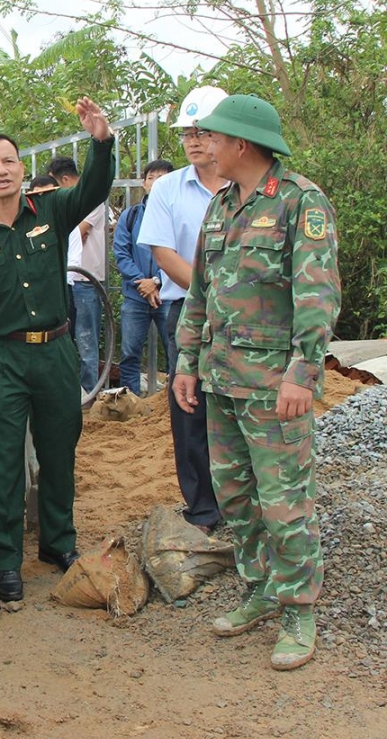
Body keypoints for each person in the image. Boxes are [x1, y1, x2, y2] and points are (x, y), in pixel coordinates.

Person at [172, 95, 340, 672]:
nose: (204, 146)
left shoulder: (300, 201)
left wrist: (303, 372)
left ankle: (298, 609)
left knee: (285, 500)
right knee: (236, 497)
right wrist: (186, 362)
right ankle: (262, 588)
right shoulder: (221, 205)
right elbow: (200, 291)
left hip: (274, 386)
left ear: (240, 144)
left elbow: (317, 294)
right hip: (221, 379)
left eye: (212, 137)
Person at [0, 99, 116, 603]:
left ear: (22, 169)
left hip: (56, 352)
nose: (1, 170)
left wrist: (101, 142)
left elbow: (94, 188)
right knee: (3, 461)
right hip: (3, 359)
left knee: (59, 451)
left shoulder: (53, 209)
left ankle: (58, 542)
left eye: (9, 161)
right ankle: (4, 560)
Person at [137, 86, 229, 532]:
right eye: (187, 134)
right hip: (188, 313)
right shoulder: (168, 188)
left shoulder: (248, 185)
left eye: (202, 132)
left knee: (239, 404)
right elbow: (162, 252)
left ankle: (243, 503)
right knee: (190, 406)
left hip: (247, 317)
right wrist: (214, 296)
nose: (193, 141)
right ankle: (203, 507)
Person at [112, 159, 174, 394]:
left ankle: (172, 405)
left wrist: (157, 280)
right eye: (151, 177)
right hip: (135, 295)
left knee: (176, 352)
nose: (156, 182)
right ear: (144, 183)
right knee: (129, 354)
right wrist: (142, 283)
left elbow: (183, 253)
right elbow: (121, 253)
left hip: (169, 295)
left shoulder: (177, 215)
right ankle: (131, 403)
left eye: (162, 178)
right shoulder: (130, 216)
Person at [50, 156, 108, 393]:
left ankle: (88, 394)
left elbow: (74, 231)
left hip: (85, 280)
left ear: (64, 179)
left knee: (86, 343)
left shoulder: (89, 201)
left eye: (55, 185)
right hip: (66, 282)